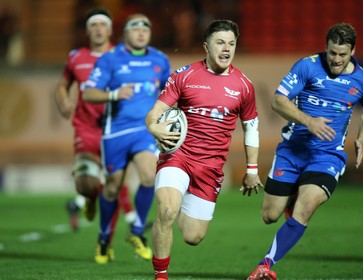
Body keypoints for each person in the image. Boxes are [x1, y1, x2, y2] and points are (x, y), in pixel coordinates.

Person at [247, 22, 363, 280]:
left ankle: (265, 265)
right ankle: (292, 196)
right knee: (269, 216)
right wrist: (309, 121)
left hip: (327, 157)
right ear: (326, 48)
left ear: (353, 50)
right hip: (292, 151)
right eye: (332, 53)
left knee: (305, 209)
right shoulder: (306, 66)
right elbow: (277, 101)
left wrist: (362, 138)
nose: (336, 59)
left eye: (342, 54)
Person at [145, 19, 263, 280]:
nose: (226, 49)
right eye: (220, 42)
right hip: (178, 156)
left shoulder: (244, 86)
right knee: (166, 210)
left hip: (210, 167)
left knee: (192, 236)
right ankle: (161, 274)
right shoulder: (184, 75)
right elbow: (155, 112)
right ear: (206, 47)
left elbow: (251, 128)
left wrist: (251, 169)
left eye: (231, 44)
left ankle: (178, 204)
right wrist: (153, 128)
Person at [83, 13, 172, 264]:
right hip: (115, 133)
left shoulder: (160, 59)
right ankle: (104, 239)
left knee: (148, 175)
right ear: (125, 33)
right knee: (112, 187)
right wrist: (113, 95)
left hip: (145, 130)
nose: (141, 32)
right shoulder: (110, 59)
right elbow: (88, 93)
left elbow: (171, 92)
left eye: (146, 28)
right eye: (135, 28)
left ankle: (136, 231)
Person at [55, 7, 136, 242]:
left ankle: (110, 236)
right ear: (88, 30)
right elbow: (62, 85)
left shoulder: (122, 57)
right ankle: (86, 198)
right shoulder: (76, 57)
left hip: (114, 127)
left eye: (102, 25)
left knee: (116, 179)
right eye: (93, 25)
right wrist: (63, 102)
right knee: (85, 184)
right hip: (86, 127)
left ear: (110, 30)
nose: (98, 29)